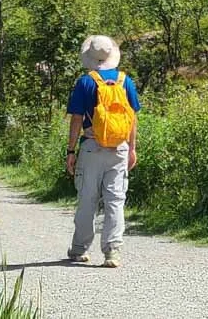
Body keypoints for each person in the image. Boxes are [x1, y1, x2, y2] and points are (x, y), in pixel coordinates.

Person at [65, 34, 140, 268]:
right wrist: (132, 149)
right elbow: (133, 118)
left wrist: (70, 150)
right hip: (119, 148)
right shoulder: (125, 81)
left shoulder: (85, 82)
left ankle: (79, 250)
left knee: (87, 200)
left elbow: (77, 119)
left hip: (92, 146)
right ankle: (112, 252)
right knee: (115, 201)